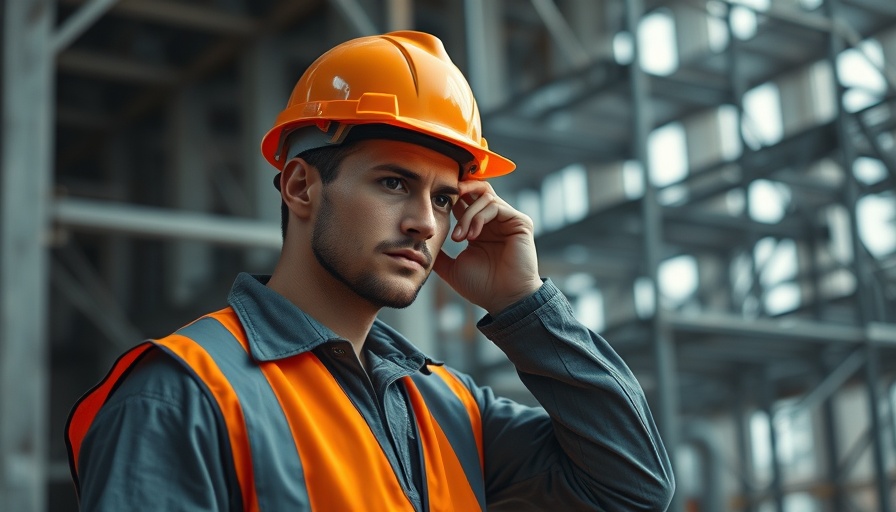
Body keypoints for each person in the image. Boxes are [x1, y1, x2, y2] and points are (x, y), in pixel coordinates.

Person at [65, 31, 674, 511]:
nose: (425, 224)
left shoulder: (447, 409)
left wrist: (524, 305)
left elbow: (633, 486)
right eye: (393, 183)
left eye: (443, 199)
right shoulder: (186, 391)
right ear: (301, 186)